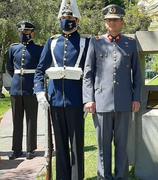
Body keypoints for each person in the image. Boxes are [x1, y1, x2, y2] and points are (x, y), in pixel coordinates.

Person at [83, 4, 141, 180]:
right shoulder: (96, 42)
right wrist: (88, 99)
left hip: (124, 102)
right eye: (109, 20)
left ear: (122, 22)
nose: (112, 23)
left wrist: (136, 97)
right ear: (105, 22)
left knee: (122, 145)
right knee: (103, 145)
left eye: (115, 20)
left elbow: (137, 74)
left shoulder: (130, 44)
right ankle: (104, 176)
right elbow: (88, 74)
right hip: (101, 102)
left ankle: (121, 176)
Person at [34, 0, 89, 179]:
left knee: (76, 144)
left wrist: (89, 98)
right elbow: (40, 70)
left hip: (76, 100)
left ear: (77, 20)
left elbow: (91, 72)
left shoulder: (85, 42)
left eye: (70, 17)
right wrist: (40, 92)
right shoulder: (52, 42)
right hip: (55, 100)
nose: (67, 20)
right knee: (60, 144)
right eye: (64, 17)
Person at [6, 21, 42, 160]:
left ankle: (31, 149)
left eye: (26, 32)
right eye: (21, 32)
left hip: (31, 88)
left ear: (32, 33)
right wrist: (16, 80)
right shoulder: (13, 48)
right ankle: (16, 150)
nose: (23, 34)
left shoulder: (39, 49)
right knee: (17, 120)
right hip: (16, 89)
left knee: (31, 120)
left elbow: (41, 69)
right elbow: (9, 67)